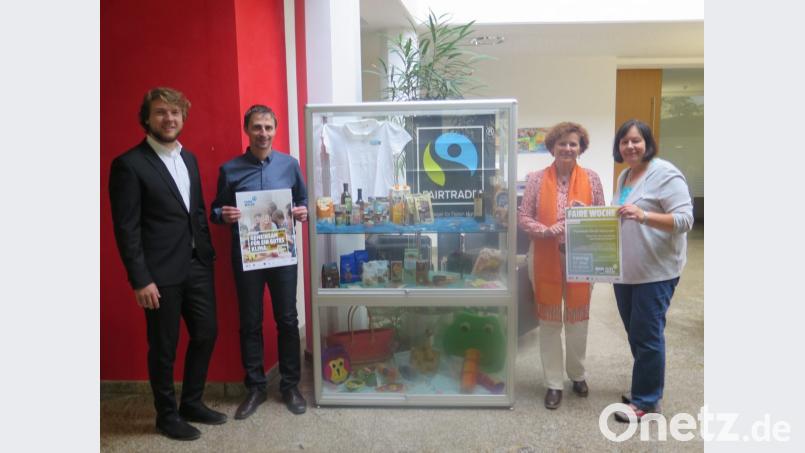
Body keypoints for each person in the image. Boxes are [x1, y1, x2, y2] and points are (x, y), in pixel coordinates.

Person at [108, 87, 226, 441]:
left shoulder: (187, 158)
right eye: (161, 112)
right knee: (164, 347)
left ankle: (191, 402)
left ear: (182, 117)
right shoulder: (129, 165)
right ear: (147, 118)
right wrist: (139, 279)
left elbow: (197, 210)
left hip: (196, 265)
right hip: (158, 275)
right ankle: (166, 415)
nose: (169, 119)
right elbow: (126, 228)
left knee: (206, 333)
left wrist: (204, 250)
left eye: (175, 113)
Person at [210, 104, 309, 417]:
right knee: (250, 322)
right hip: (247, 257)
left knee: (288, 319)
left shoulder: (290, 165)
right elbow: (215, 210)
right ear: (247, 130)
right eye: (257, 127)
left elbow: (302, 200)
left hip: (281, 254)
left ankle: (290, 386)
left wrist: (302, 212)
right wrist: (222, 215)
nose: (263, 133)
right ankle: (255, 388)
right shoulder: (230, 170)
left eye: (268, 127)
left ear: (275, 130)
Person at [517, 122, 605, 409]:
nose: (568, 148)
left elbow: (602, 216)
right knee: (550, 322)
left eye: (573, 144)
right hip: (544, 256)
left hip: (583, 258)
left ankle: (577, 374)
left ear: (581, 148)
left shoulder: (592, 179)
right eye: (562, 143)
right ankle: (553, 382)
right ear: (552, 146)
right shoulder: (536, 179)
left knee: (578, 320)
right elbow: (523, 216)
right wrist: (546, 231)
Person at [610, 119, 694, 422]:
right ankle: (646, 384)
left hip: (656, 271)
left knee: (647, 335)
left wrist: (644, 215)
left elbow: (685, 220)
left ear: (648, 143)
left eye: (636, 141)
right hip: (627, 269)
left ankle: (647, 401)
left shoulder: (665, 174)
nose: (630, 146)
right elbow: (621, 215)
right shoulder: (625, 176)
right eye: (624, 142)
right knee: (636, 333)